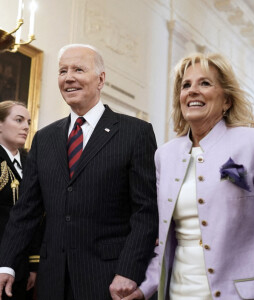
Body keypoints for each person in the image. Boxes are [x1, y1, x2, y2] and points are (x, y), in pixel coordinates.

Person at [124, 52, 254, 300]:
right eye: (186, 85)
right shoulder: (165, 155)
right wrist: (145, 288)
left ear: (226, 100)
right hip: (180, 291)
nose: (192, 91)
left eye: (204, 83)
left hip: (245, 294)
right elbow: (164, 239)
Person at [0, 44, 158, 300]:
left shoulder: (135, 133)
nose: (68, 77)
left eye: (78, 69)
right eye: (63, 71)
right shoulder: (44, 138)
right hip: (52, 282)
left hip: (110, 280)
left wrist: (129, 270)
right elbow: (26, 210)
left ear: (100, 79)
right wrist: (6, 263)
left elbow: (146, 211)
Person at [0, 101, 41, 299]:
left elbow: (37, 216)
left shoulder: (30, 162)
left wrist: (34, 263)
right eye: (18, 120)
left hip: (23, 263)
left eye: (28, 122)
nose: (26, 126)